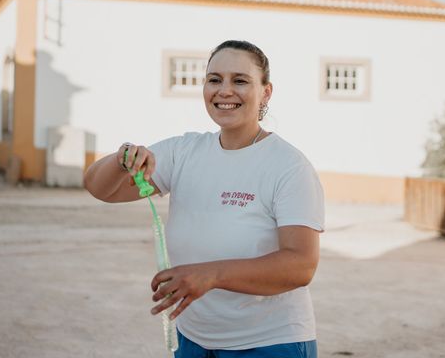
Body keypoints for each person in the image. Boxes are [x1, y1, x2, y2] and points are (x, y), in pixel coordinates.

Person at [84, 40, 325, 357]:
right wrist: (121, 159)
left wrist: (210, 275)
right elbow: (100, 188)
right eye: (215, 79)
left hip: (269, 342)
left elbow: (300, 266)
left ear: (266, 92)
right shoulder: (184, 151)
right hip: (194, 338)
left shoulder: (289, 166)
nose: (224, 90)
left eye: (240, 80)